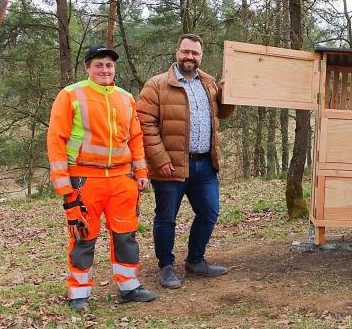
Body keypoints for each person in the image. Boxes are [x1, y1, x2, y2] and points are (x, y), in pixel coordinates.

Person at [47, 44, 156, 312]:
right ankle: (79, 293)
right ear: (87, 68)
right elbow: (56, 139)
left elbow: (135, 137)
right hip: (85, 180)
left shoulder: (126, 98)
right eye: (99, 65)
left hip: (122, 179)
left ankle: (129, 287)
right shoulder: (70, 95)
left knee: (126, 236)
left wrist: (141, 171)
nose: (105, 69)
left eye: (109, 65)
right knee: (83, 236)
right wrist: (62, 183)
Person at [137, 34, 235, 289]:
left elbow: (223, 114)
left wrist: (229, 93)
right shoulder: (156, 85)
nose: (190, 57)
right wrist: (159, 159)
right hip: (170, 165)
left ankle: (195, 261)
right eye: (186, 52)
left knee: (209, 212)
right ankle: (166, 267)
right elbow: (144, 124)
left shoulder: (209, 83)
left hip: (205, 164)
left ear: (201, 56)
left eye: (195, 53)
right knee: (166, 217)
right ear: (177, 52)